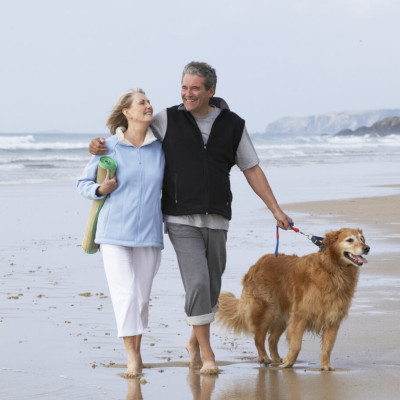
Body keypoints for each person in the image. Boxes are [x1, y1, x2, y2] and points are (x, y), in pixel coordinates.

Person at [89, 62, 292, 375]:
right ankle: (207, 354)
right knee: (196, 282)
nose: (188, 93)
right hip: (179, 218)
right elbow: (132, 134)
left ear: (211, 90)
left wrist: (275, 210)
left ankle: (194, 342)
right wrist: (101, 143)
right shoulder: (168, 118)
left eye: (195, 88)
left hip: (218, 218)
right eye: (184, 87)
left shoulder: (234, 125)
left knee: (210, 287)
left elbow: (251, 168)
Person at [78, 88, 165, 378]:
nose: (149, 106)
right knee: (125, 295)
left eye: (149, 101)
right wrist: (100, 190)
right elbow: (83, 183)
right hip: (114, 233)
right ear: (127, 112)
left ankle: (136, 353)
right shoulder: (109, 147)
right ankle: (132, 358)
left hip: (150, 233)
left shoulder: (161, 147)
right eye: (142, 102)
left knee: (141, 299)